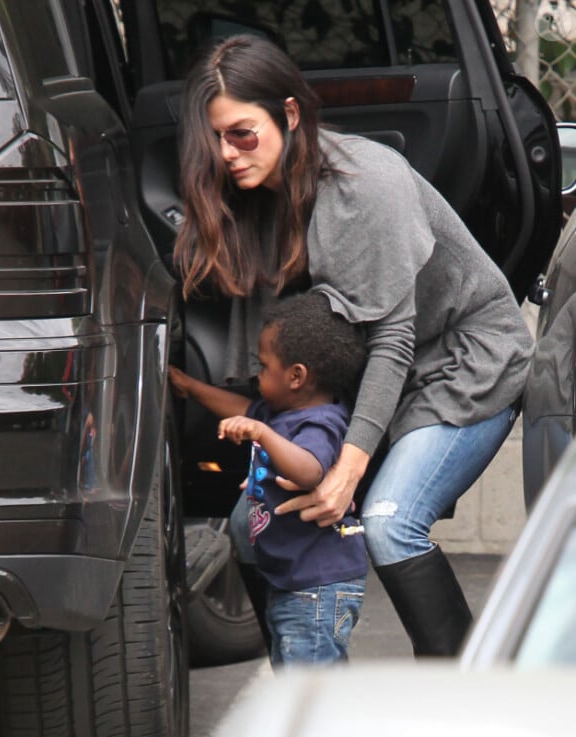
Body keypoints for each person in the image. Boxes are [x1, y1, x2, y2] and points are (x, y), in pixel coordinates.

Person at [173, 34, 534, 657]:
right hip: (380, 381)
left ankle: (473, 704)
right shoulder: (263, 199)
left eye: (242, 133)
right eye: (217, 140)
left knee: (392, 526)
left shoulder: (367, 183)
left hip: (462, 362)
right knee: (247, 525)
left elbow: (392, 339)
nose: (228, 154)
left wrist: (347, 469)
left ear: (288, 114)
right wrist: (272, 460)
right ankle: (303, 686)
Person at [169, 292, 368, 667]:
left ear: (296, 376)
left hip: (316, 590)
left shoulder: (320, 423)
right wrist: (191, 387)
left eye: (263, 367)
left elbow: (309, 470)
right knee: (297, 685)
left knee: (308, 695)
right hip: (294, 585)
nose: (256, 376)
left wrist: (262, 433)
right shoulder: (286, 411)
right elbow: (241, 406)